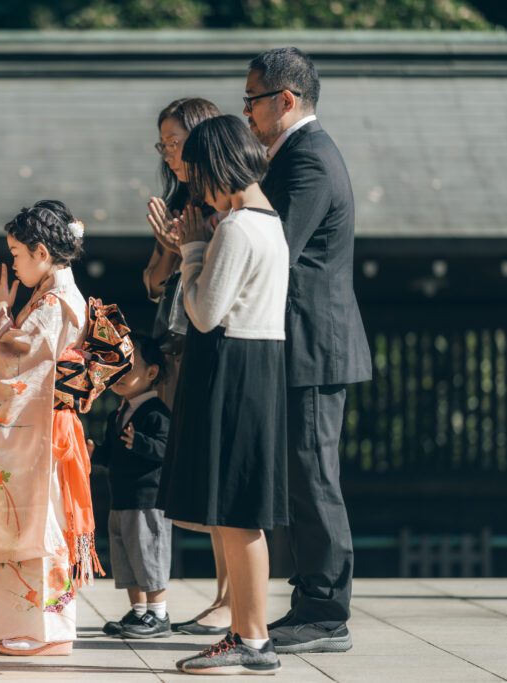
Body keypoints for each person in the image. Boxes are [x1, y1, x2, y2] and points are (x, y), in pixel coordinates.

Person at [243, 47, 372, 654]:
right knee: (300, 474)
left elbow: (274, 247)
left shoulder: (308, 160)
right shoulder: (296, 155)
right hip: (303, 341)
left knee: (313, 474)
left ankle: (325, 610)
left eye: (252, 101)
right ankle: (310, 601)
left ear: (284, 101)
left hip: (314, 344)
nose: (247, 114)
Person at [159, 114, 289, 675]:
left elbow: (205, 313)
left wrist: (191, 250)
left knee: (236, 514)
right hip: (260, 364)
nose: (195, 189)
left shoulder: (236, 228)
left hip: (232, 365)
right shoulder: (270, 222)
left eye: (197, 175)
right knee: (242, 512)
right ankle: (245, 633)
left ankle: (251, 638)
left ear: (216, 168)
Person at [0, 200, 101, 656]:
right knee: (40, 525)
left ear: (42, 251)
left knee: (41, 525)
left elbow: (15, 359)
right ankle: (42, 628)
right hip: (49, 427)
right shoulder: (55, 297)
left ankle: (52, 632)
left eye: (17, 253)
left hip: (45, 432)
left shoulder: (52, 303)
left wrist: (1, 309)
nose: (13, 262)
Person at [142, 97, 232, 637]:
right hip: (178, 342)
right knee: (200, 472)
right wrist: (170, 247)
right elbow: (154, 283)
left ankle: (230, 598)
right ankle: (224, 597)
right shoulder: (181, 200)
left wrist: (189, 242)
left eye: (175, 142)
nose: (170, 154)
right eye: (164, 145)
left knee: (220, 474)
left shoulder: (223, 200)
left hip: (215, 334)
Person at [87, 333, 172, 639]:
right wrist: (96, 453)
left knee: (149, 555)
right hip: (120, 497)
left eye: (129, 365)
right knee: (125, 558)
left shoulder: (157, 413)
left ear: (151, 373)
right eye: (116, 365)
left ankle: (158, 614)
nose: (119, 372)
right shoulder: (117, 414)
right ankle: (138, 613)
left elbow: (168, 451)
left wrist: (141, 443)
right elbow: (112, 454)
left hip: (148, 500)